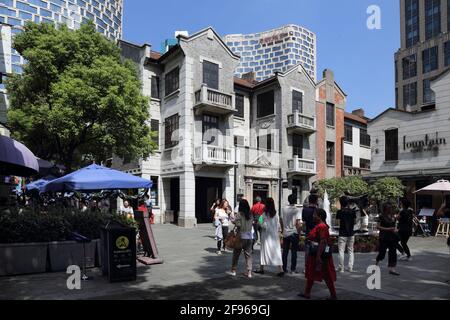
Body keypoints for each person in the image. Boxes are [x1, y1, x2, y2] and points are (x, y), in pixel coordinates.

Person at [299, 209, 337, 300]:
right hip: (316, 254)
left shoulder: (321, 226)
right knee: (311, 274)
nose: (313, 216)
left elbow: (323, 242)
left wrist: (318, 256)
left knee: (326, 275)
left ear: (319, 216)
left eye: (315, 214)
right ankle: (307, 292)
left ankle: (333, 295)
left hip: (320, 255)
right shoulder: (320, 226)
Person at [254, 198, 284, 277]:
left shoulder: (264, 214)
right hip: (274, 235)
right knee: (276, 251)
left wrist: (264, 225)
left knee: (264, 250)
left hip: (266, 235)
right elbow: (278, 225)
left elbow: (259, 222)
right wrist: (279, 232)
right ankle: (280, 269)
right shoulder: (276, 213)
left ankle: (261, 268)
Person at [228, 199, 254, 278]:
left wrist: (233, 221)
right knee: (248, 255)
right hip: (249, 236)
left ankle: (233, 270)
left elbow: (238, 225)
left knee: (236, 254)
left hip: (241, 236)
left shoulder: (239, 214)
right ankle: (249, 272)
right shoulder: (251, 214)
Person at [376, 202, 400, 276]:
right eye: (388, 208)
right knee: (382, 253)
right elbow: (378, 226)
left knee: (393, 253)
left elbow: (394, 226)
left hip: (392, 237)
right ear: (385, 209)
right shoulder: (381, 216)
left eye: (390, 208)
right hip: (384, 237)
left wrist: (395, 229)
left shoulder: (393, 216)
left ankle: (392, 269)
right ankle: (377, 262)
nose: (390, 209)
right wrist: (388, 229)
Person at [280, 194, 302, 274]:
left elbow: (281, 220)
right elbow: (298, 223)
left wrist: (283, 230)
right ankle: (293, 269)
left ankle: (284, 268)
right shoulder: (296, 210)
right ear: (295, 200)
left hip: (286, 232)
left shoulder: (284, 209)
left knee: (285, 252)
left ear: (288, 200)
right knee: (294, 252)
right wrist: (299, 233)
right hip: (294, 232)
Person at [336, 196, 357, 273]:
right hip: (351, 233)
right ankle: (350, 267)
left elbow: (337, 223)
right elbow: (355, 222)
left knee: (341, 251)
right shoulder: (352, 211)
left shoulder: (339, 212)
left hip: (342, 233)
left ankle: (341, 268)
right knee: (351, 251)